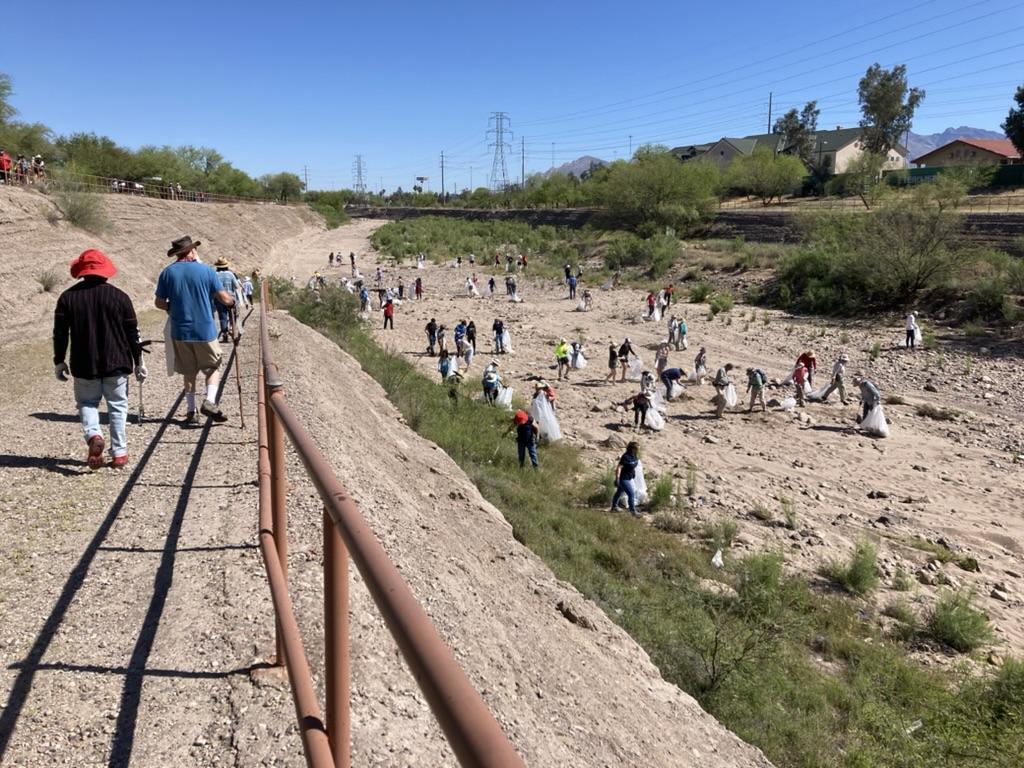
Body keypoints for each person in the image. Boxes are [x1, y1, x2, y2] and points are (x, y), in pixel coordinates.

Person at [53, 249, 145, 469]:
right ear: (106, 271)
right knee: (118, 406)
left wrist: (59, 360)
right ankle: (120, 453)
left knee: (87, 403)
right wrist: (139, 361)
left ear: (81, 272)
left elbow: (60, 333)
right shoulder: (120, 297)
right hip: (118, 361)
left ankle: (94, 435)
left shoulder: (67, 298)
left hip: (84, 363)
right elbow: (133, 333)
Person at [155, 235, 235, 424]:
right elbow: (224, 299)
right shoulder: (206, 271)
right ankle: (209, 401)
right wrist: (232, 302)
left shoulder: (167, 273)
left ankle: (191, 412)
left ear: (177, 254)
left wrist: (171, 308)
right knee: (213, 367)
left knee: (188, 371)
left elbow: (159, 303)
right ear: (191, 251)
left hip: (180, 331)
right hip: (204, 330)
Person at [213, 257, 241, 343]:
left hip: (219, 298)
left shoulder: (214, 274)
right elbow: (236, 286)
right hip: (230, 298)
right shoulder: (230, 274)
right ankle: (232, 328)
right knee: (233, 314)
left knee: (222, 316)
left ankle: (224, 335)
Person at [611, 442, 641, 517]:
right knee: (631, 494)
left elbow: (634, 465)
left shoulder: (634, 456)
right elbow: (619, 468)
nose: (638, 450)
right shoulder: (625, 457)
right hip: (623, 479)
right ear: (633, 449)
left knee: (619, 492)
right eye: (637, 448)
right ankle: (633, 512)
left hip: (629, 477)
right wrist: (617, 478)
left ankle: (614, 507)